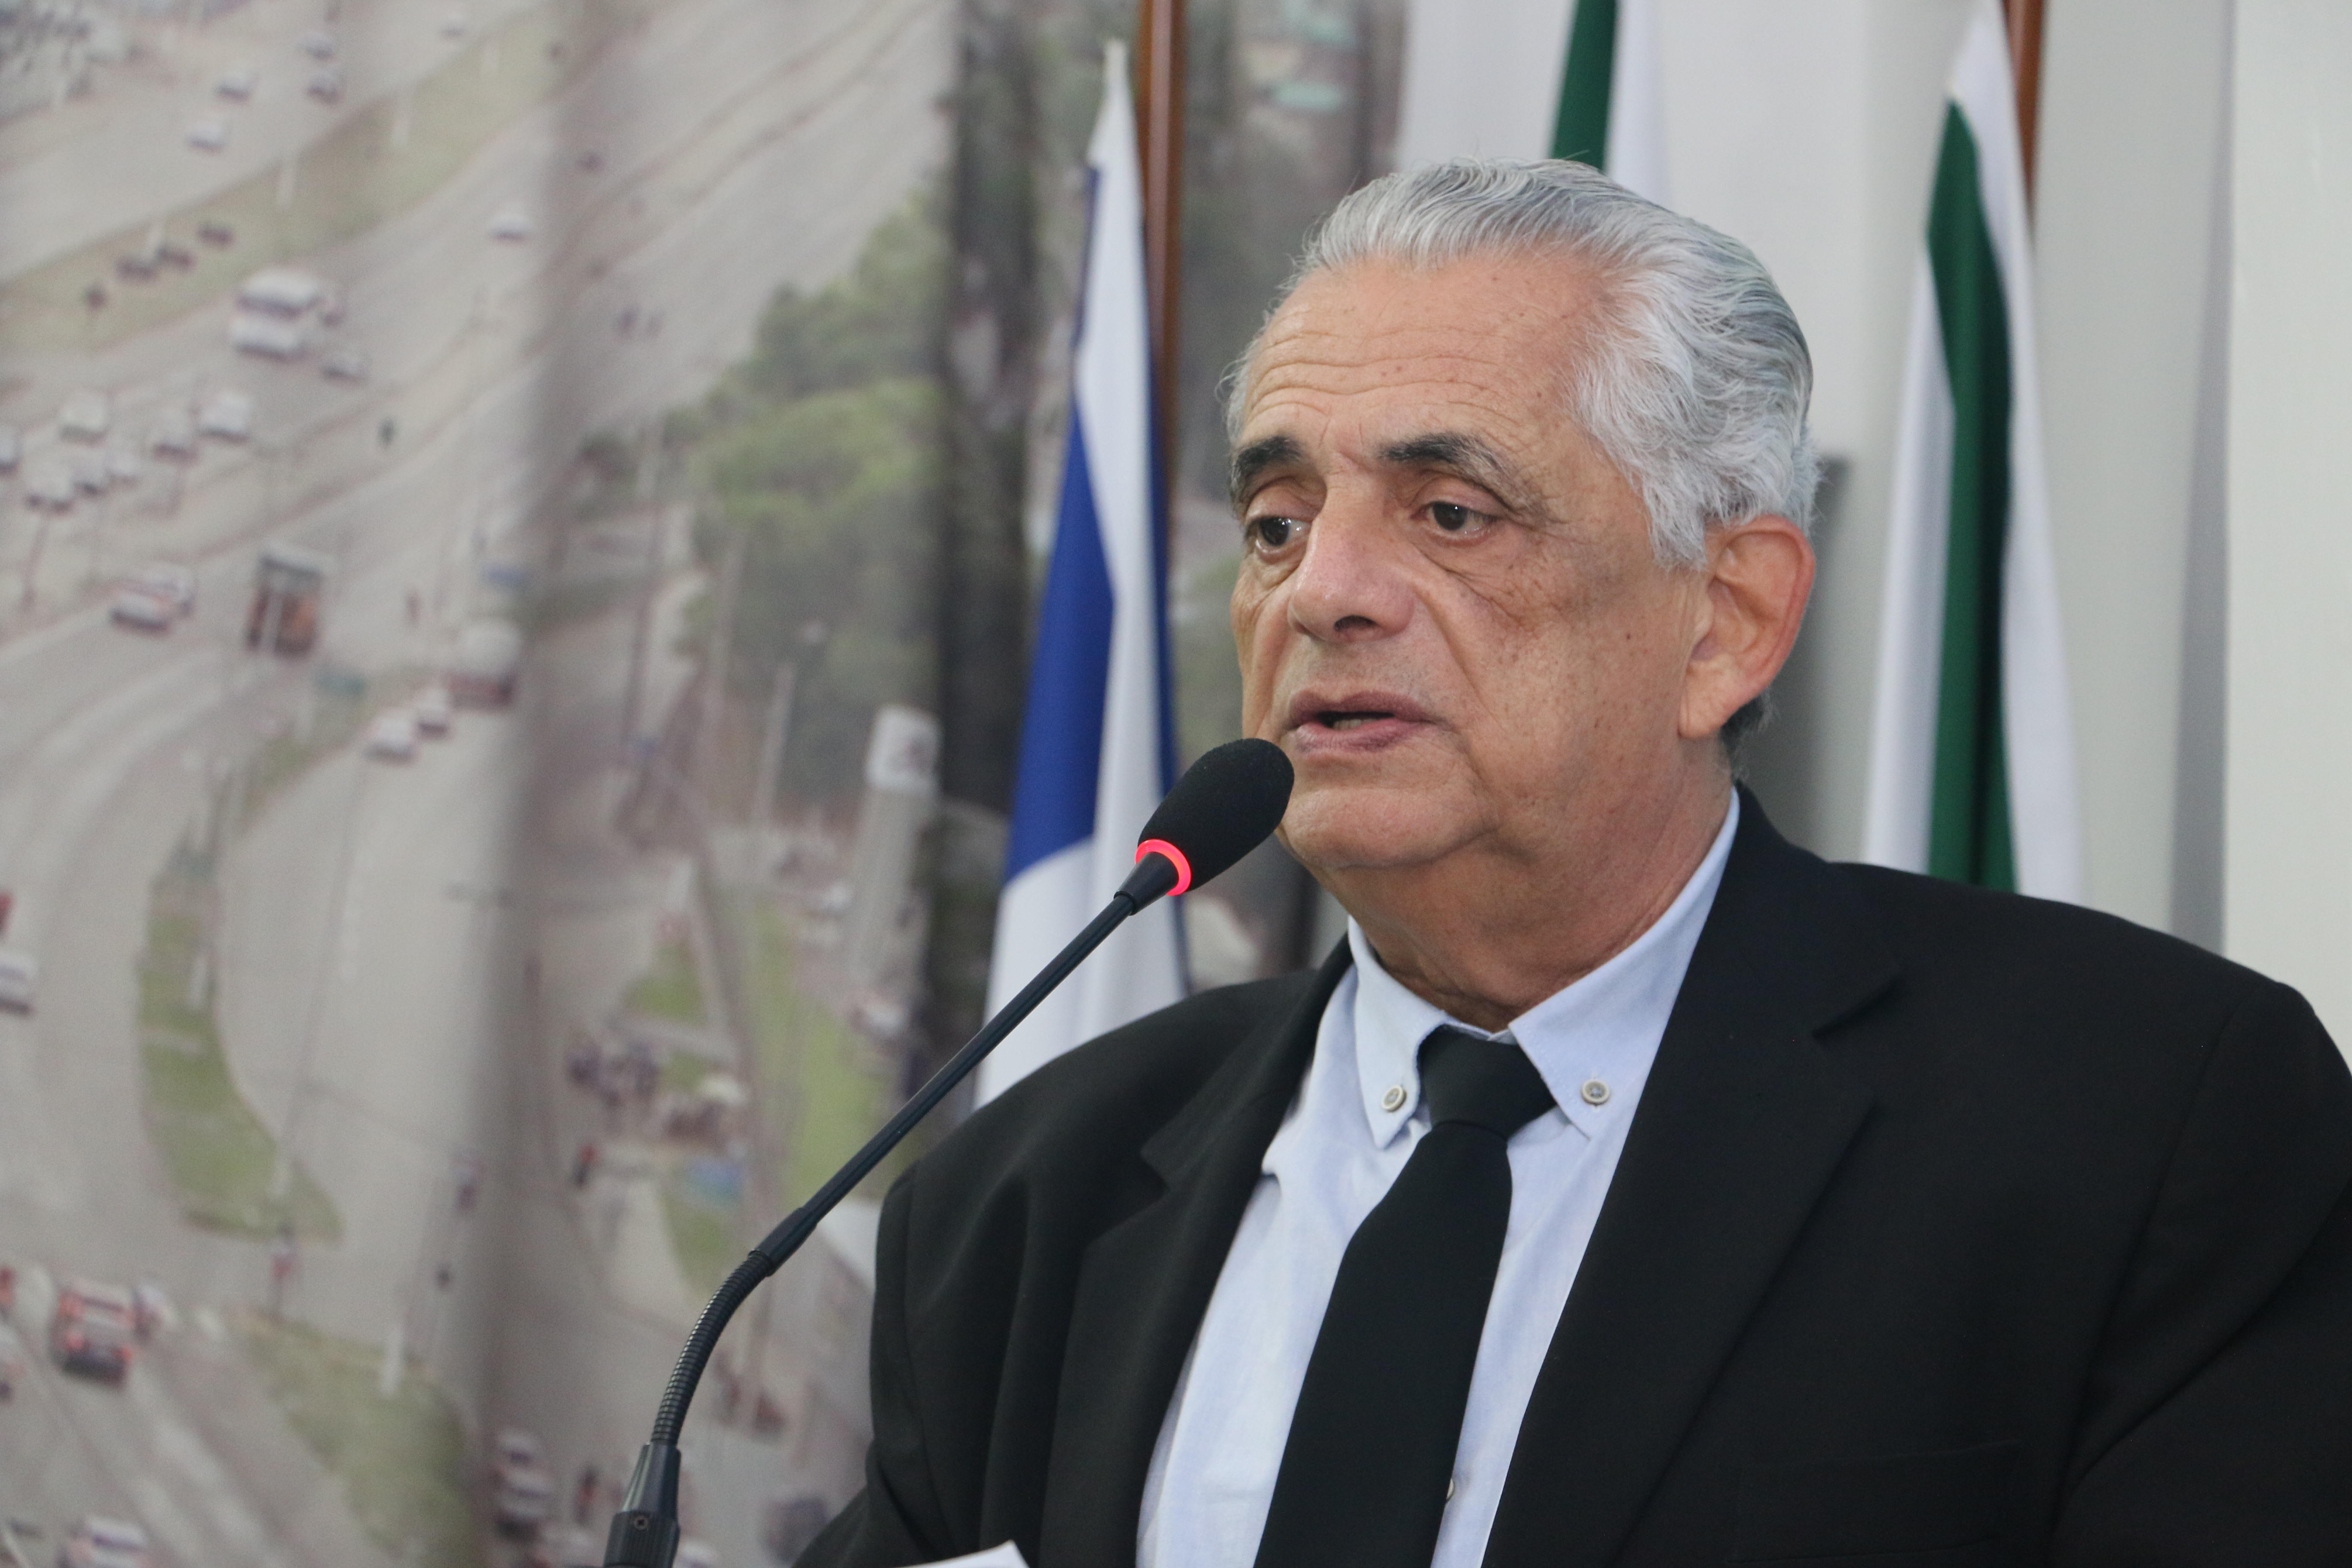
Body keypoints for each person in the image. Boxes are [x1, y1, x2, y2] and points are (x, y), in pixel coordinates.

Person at [800, 161, 2352, 1568]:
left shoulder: (2141, 1122)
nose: (1323, 591)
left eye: (1450, 513)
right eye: (1276, 522)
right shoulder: (1028, 1192)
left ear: (1728, 621)